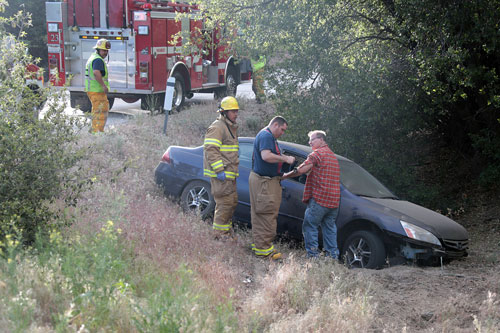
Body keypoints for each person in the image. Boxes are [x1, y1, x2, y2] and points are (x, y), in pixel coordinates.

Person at [283, 130, 341, 259]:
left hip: (320, 200)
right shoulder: (332, 156)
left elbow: (302, 170)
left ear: (321, 140)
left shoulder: (317, 154)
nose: (310, 142)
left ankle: (313, 257)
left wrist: (285, 176)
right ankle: (332, 258)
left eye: (312, 139)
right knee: (329, 229)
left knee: (310, 226)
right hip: (333, 202)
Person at [250, 116, 295, 259]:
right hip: (264, 182)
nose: (283, 132)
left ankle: (260, 245)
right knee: (266, 215)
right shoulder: (266, 135)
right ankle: (264, 251)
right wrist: (285, 158)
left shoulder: (269, 137)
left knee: (261, 214)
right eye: (282, 129)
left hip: (265, 181)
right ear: (275, 124)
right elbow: (266, 156)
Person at [203, 96, 240, 239]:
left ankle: (225, 233)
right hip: (222, 176)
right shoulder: (218, 127)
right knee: (224, 205)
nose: (236, 114)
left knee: (231, 204)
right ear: (224, 112)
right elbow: (211, 149)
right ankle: (219, 236)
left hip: (230, 176)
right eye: (232, 111)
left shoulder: (229, 127)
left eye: (237, 111)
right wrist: (219, 170)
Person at [85, 38, 111, 132]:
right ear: (98, 50)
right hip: (96, 90)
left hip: (94, 90)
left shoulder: (94, 58)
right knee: (100, 111)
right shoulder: (98, 60)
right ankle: (97, 131)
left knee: (98, 110)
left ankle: (95, 129)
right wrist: (104, 86)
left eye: (107, 51)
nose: (105, 53)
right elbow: (96, 73)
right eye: (104, 50)